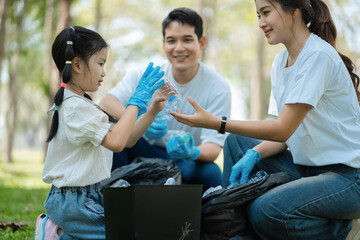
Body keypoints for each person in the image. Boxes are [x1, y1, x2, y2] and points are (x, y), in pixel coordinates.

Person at [169, 0, 360, 239]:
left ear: (294, 11)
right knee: (236, 142)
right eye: (258, 15)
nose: (261, 23)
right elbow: (288, 134)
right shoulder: (281, 62)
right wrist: (254, 153)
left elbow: (281, 129)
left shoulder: (318, 56)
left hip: (348, 179)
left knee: (266, 210)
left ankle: (333, 227)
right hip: (308, 169)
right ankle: (231, 230)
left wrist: (217, 123)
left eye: (266, 13)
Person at [37, 26, 165, 239]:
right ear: (77, 64)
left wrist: (151, 110)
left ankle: (61, 233)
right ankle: (55, 231)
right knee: (126, 234)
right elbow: (116, 143)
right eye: (100, 63)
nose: (104, 72)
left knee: (134, 225)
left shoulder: (82, 105)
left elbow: (127, 139)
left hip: (90, 196)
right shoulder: (75, 107)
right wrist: (136, 100)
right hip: (72, 202)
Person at [99, 7, 232, 191]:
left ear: (201, 42)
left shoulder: (218, 87)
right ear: (163, 44)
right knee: (115, 136)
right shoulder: (149, 74)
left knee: (212, 173)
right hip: (145, 153)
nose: (179, 48)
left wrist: (191, 151)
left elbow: (213, 148)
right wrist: (138, 121)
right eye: (171, 41)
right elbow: (107, 102)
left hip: (186, 162)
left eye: (187, 39)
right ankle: (113, 201)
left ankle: (201, 216)